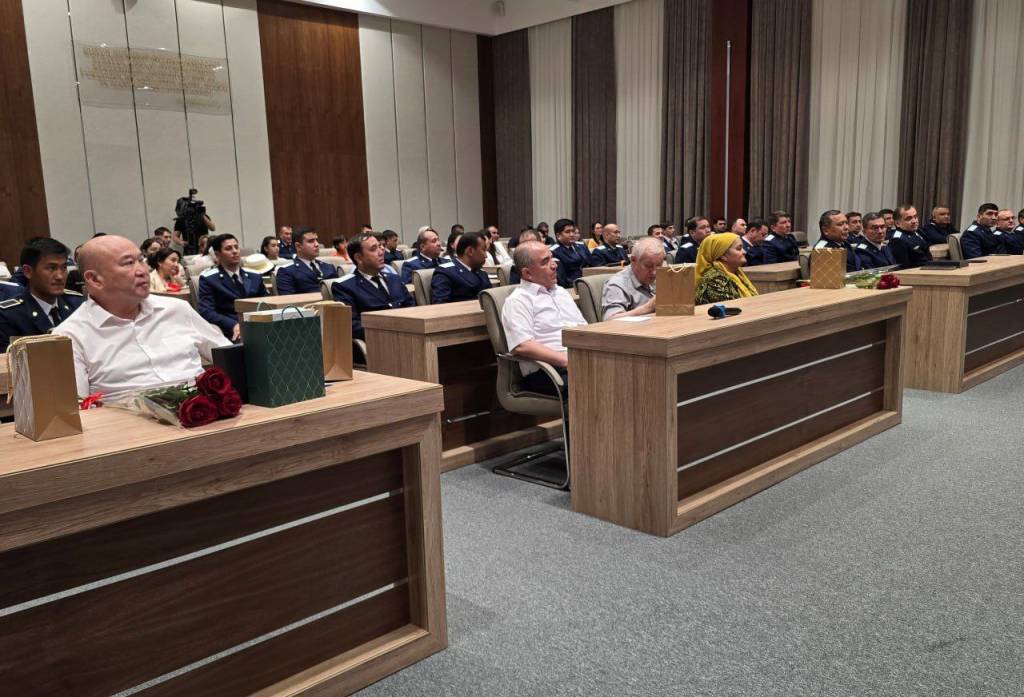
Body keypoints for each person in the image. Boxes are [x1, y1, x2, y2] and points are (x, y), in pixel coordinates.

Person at [53, 235, 230, 398]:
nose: (142, 270)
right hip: (127, 419)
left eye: (140, 260)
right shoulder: (70, 336)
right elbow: (76, 409)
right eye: (128, 263)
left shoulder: (176, 309)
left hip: (204, 411)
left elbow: (230, 356)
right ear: (94, 279)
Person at [500, 241, 587, 396]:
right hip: (548, 370)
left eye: (552, 258)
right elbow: (522, 346)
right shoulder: (518, 300)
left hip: (580, 359)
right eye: (545, 262)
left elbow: (583, 327)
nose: (554, 265)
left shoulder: (561, 292)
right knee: (601, 381)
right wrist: (567, 360)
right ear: (527, 273)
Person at [0, 238, 85, 352]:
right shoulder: (9, 316)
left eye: (64, 267)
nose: (60, 276)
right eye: (51, 268)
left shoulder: (77, 303)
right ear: (28, 271)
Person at [332, 234, 415, 339]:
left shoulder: (394, 278)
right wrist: (392, 330)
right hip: (377, 341)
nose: (381, 252)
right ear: (359, 258)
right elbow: (352, 326)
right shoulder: (345, 286)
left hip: (410, 337)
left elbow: (412, 309)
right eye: (373, 249)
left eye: (380, 246)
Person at [197, 233, 269, 340]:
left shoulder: (255, 276)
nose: (235, 251)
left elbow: (267, 303)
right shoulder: (209, 279)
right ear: (217, 254)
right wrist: (233, 325)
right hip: (230, 329)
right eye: (228, 248)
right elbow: (207, 312)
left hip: (259, 325)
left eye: (236, 247)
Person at [601, 237, 663, 320]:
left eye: (659, 265)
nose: (654, 272)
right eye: (648, 266)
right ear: (633, 260)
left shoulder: (660, 278)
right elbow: (610, 319)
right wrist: (648, 308)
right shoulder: (617, 284)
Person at [694, 233, 759, 305]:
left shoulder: (737, 272)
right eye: (739, 249)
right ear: (723, 256)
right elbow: (731, 308)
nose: (744, 252)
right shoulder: (715, 279)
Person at [431, 231, 493, 303]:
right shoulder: (445, 272)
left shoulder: (482, 273)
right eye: (483, 250)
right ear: (470, 251)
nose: (486, 255)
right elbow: (440, 305)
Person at [274, 228, 339, 294]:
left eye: (316, 240)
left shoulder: (329, 267)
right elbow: (288, 299)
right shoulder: (286, 271)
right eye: (311, 241)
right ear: (298, 246)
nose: (317, 244)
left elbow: (339, 293)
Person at [550, 218, 594, 287]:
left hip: (589, 282)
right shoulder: (554, 251)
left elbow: (592, 265)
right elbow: (561, 279)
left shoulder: (582, 246)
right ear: (558, 236)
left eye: (573, 231)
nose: (572, 234)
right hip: (571, 286)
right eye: (567, 232)